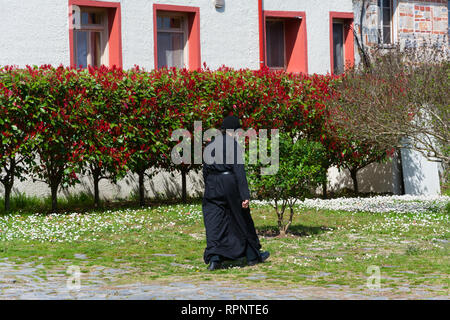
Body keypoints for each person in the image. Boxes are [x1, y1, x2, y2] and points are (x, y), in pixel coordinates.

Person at [202, 115, 270, 271]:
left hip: (212, 185)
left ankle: (215, 259)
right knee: (241, 218)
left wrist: (210, 186)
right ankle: (253, 256)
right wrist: (244, 195)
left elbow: (205, 170)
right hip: (229, 182)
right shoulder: (233, 145)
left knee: (215, 222)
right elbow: (239, 171)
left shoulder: (210, 144)